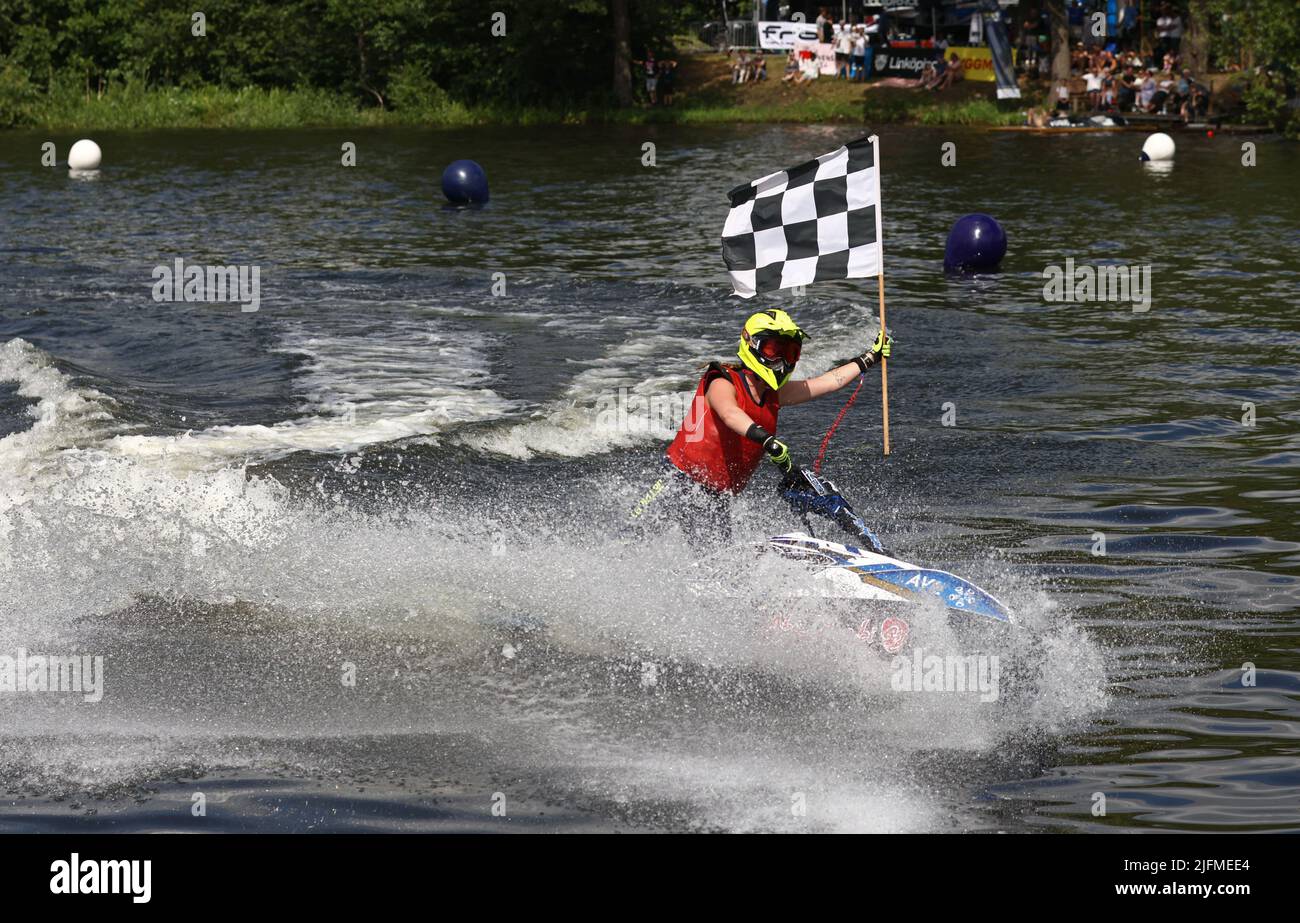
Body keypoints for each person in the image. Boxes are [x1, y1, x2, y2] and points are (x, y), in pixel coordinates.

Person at [631, 310, 893, 545]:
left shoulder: (773, 394)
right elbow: (730, 413)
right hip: (678, 482)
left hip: (717, 498)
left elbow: (826, 382)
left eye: (789, 353)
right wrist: (766, 439)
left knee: (716, 567)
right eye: (772, 351)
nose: (781, 361)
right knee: (630, 544)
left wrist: (871, 357)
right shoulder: (721, 380)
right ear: (752, 345)